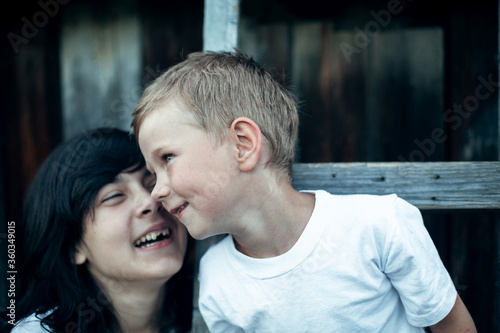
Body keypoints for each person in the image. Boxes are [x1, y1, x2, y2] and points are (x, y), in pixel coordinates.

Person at [131, 51, 477, 332]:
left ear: (243, 145)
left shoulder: (379, 225)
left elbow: (452, 327)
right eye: (152, 173)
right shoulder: (217, 277)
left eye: (167, 158)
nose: (156, 192)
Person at [8, 128, 192, 333]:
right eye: (114, 196)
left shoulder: (217, 301)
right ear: (73, 247)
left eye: (152, 183)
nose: (151, 200)